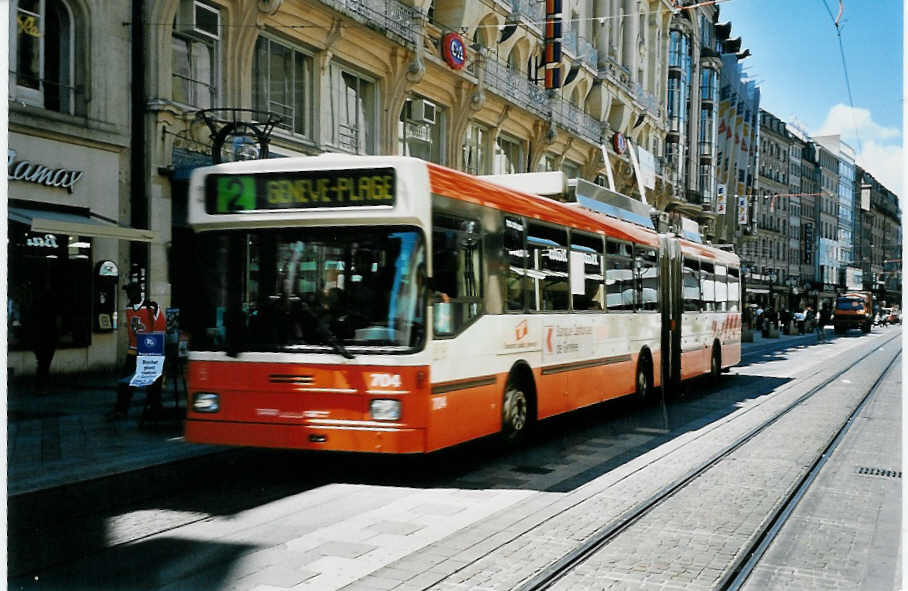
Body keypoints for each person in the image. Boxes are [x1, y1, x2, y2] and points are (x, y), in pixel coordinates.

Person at [108, 282, 166, 420]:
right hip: (133, 349)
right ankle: (121, 408)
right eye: (128, 292)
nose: (129, 295)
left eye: (131, 292)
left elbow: (160, 327)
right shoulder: (128, 308)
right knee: (125, 380)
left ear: (139, 292)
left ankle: (155, 407)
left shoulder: (151, 307)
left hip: (149, 350)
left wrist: (155, 349)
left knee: (153, 381)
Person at [31, 277, 59, 395]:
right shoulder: (51, 302)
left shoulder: (36, 301)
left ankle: (40, 386)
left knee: (42, 363)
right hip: (48, 336)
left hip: (40, 336)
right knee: (44, 363)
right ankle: (41, 387)